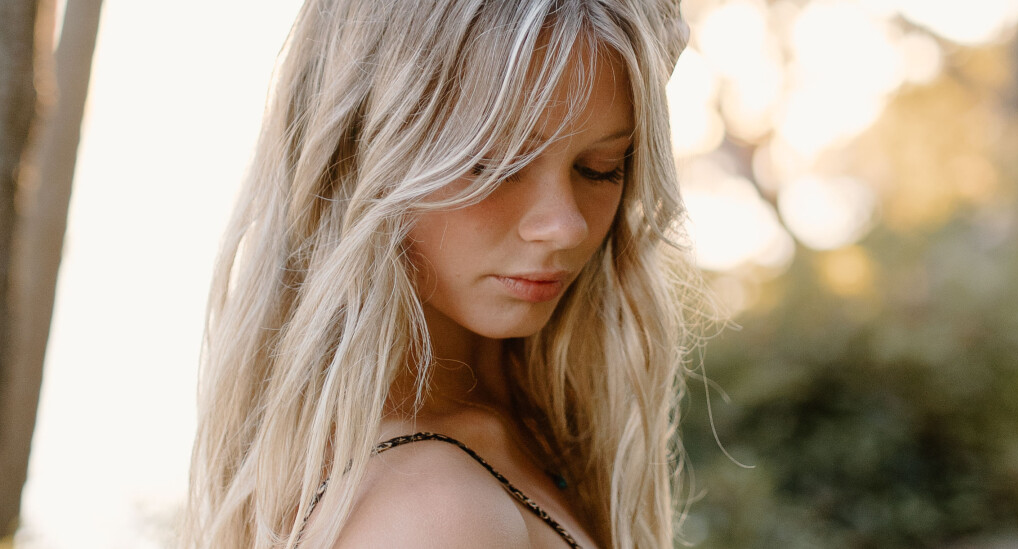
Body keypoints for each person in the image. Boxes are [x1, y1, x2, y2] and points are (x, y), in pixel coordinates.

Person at [185, 0, 699, 547]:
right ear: (359, 154)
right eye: (495, 164)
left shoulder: (512, 436)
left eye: (601, 169)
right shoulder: (437, 514)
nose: (566, 226)